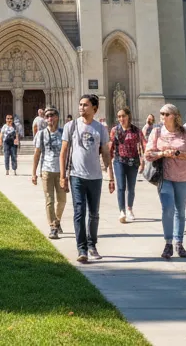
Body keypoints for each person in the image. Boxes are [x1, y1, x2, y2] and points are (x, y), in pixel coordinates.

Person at [144, 103, 186, 259]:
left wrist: (180, 155)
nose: (163, 116)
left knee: (180, 211)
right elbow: (148, 154)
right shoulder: (156, 132)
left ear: (175, 116)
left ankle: (179, 243)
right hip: (165, 176)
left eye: (166, 114)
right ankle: (168, 243)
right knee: (167, 208)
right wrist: (163, 153)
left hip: (183, 176)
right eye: (161, 113)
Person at [60, 95, 111, 263]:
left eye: (86, 105)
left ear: (94, 108)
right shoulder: (71, 126)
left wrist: (111, 176)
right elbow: (64, 152)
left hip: (95, 176)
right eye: (80, 104)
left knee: (94, 213)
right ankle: (81, 248)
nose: (81, 107)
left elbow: (105, 153)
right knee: (79, 212)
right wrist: (63, 176)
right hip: (76, 175)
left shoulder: (100, 129)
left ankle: (92, 244)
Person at [30, 107, 66, 239]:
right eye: (47, 116)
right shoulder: (41, 134)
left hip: (61, 171)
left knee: (62, 201)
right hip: (46, 170)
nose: (49, 118)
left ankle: (57, 221)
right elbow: (37, 153)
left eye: (52, 115)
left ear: (57, 117)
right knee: (49, 200)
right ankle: (53, 227)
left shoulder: (64, 133)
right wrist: (34, 173)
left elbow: (69, 152)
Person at [107, 107, 144, 223]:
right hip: (119, 161)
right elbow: (110, 147)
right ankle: (121, 211)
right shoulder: (115, 130)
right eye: (119, 117)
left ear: (128, 116)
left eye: (123, 116)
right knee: (121, 187)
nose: (121, 119)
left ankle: (129, 209)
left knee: (131, 188)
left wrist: (143, 161)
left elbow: (143, 145)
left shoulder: (136, 130)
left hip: (133, 162)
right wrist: (108, 163)